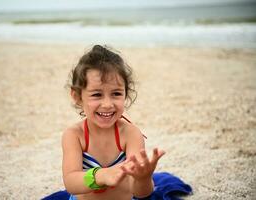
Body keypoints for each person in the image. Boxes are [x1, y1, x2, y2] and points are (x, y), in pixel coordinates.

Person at [43, 45, 192, 200]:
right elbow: (71, 182)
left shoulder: (130, 134)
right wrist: (101, 175)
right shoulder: (74, 135)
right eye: (97, 94)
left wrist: (143, 178)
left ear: (125, 94)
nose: (107, 104)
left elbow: (141, 193)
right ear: (77, 96)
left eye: (116, 93)